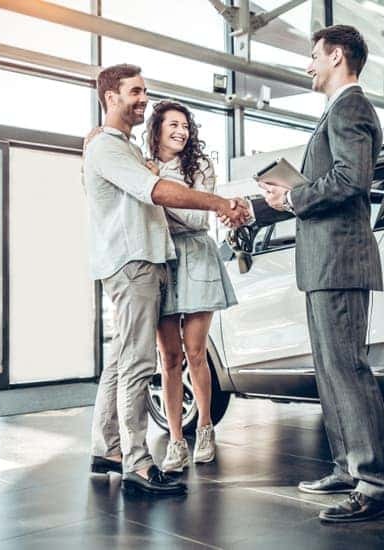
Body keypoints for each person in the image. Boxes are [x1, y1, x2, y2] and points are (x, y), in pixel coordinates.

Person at [222, 25, 384, 523]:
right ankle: (348, 467)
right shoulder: (337, 112)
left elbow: (351, 179)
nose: (309, 65)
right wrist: (261, 206)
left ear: (337, 56)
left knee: (347, 370)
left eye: (314, 57)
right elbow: (319, 186)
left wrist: (295, 196)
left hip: (340, 261)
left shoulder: (351, 109)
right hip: (324, 263)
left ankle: (378, 483)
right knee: (331, 372)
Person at [84, 63, 249, 496]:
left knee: (122, 360)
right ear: (110, 97)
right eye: (134, 92)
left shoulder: (119, 146)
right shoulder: (109, 148)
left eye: (144, 92)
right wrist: (218, 203)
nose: (143, 99)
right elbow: (155, 192)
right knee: (140, 363)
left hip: (144, 262)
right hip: (134, 264)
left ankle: (107, 449)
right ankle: (138, 464)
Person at [143, 100, 238, 472]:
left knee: (196, 353)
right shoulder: (144, 165)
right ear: (158, 129)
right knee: (168, 358)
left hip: (197, 255)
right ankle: (177, 441)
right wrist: (153, 186)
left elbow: (198, 216)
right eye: (173, 125)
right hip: (161, 257)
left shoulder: (200, 166)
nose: (181, 131)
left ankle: (205, 427)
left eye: (185, 125)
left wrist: (161, 192)